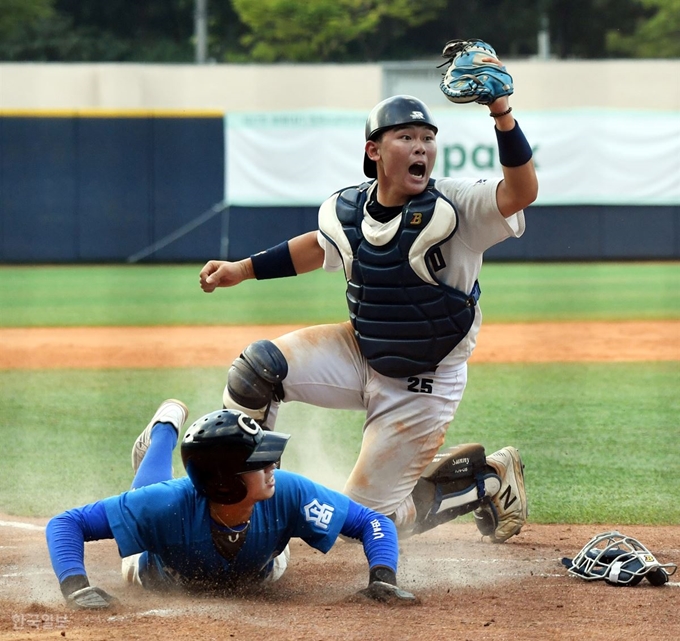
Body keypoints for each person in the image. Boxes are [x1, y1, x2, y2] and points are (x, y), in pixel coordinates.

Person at [198, 44, 538, 542]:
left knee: (356, 525)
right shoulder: (348, 210)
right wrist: (242, 270)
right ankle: (239, 494)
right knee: (257, 371)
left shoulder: (459, 206)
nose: (421, 146)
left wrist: (501, 112)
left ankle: (482, 481)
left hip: (425, 381)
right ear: (374, 150)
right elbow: (317, 247)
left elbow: (521, 192)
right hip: (362, 351)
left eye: (428, 137)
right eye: (406, 136)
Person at [46, 400, 416, 609]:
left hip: (261, 564)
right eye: (260, 464)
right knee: (151, 492)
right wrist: (76, 588)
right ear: (225, 482)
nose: (274, 467)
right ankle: (163, 430)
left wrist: (383, 578)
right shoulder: (166, 505)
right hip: (156, 573)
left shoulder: (288, 492)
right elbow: (65, 524)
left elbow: (371, 521)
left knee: (156, 498)